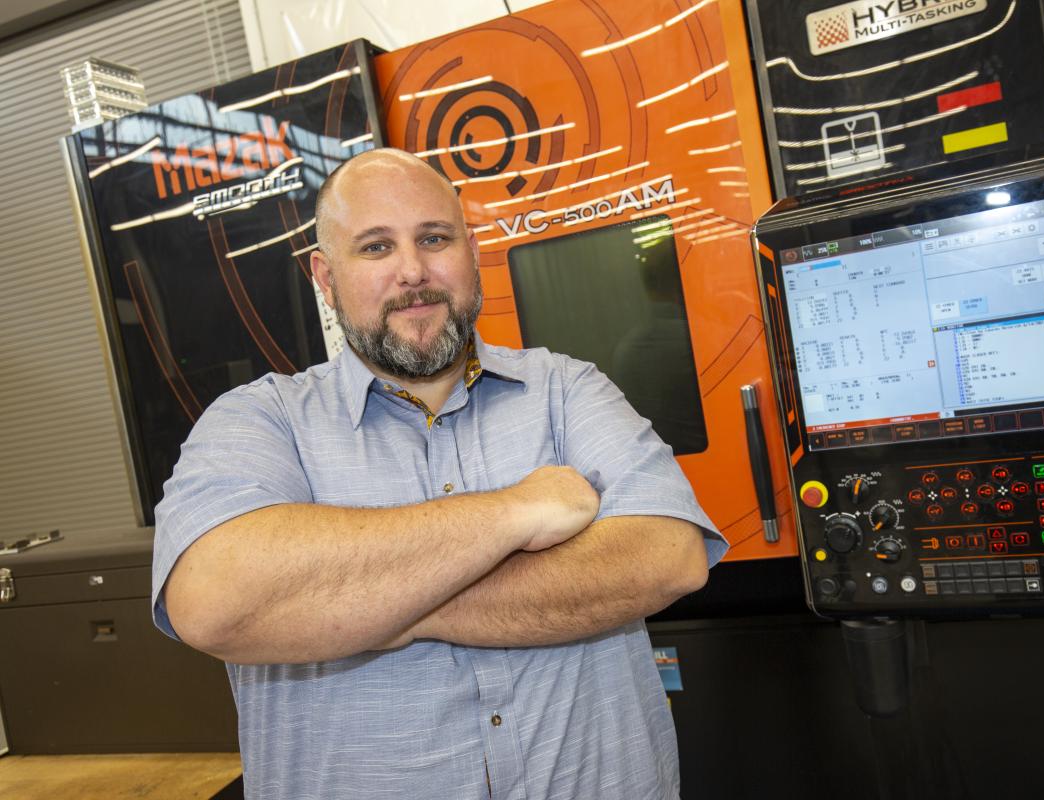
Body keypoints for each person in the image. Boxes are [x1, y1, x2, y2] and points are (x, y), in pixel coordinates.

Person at [151, 147, 727, 799]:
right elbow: (214, 602)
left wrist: (366, 607)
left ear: (470, 250)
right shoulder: (260, 422)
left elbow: (668, 557)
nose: (413, 271)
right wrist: (517, 512)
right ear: (325, 275)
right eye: (375, 247)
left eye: (434, 238)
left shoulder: (567, 390)